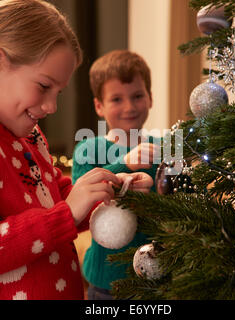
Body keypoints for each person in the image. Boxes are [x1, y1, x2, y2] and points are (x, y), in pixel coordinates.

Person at [0, 0, 152, 300]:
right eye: (44, 86)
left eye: (58, 92)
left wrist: (115, 189)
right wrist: (66, 214)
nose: (51, 106)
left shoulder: (29, 136)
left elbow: (61, 201)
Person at [72, 50, 160, 300]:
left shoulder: (162, 148)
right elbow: (83, 199)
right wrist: (125, 164)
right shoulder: (87, 150)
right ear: (99, 105)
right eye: (117, 99)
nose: (129, 107)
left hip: (157, 278)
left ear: (151, 98)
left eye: (137, 96)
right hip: (106, 282)